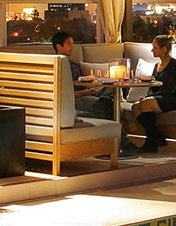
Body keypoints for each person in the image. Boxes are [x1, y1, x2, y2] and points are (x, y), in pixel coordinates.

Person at [53, 29, 136, 157]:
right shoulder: (57, 66)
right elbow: (62, 94)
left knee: (109, 92)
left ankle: (121, 143)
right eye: (69, 43)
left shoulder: (74, 65)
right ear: (59, 46)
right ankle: (121, 144)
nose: (72, 47)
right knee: (106, 106)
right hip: (74, 100)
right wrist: (83, 93)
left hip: (84, 95)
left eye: (72, 43)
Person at [131, 35, 176, 152]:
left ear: (164, 49)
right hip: (160, 97)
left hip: (175, 99)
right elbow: (153, 85)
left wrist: (151, 99)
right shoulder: (157, 66)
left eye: (155, 48)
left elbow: (170, 89)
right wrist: (147, 97)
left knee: (146, 104)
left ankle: (150, 143)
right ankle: (157, 137)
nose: (152, 50)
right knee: (135, 106)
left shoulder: (175, 66)